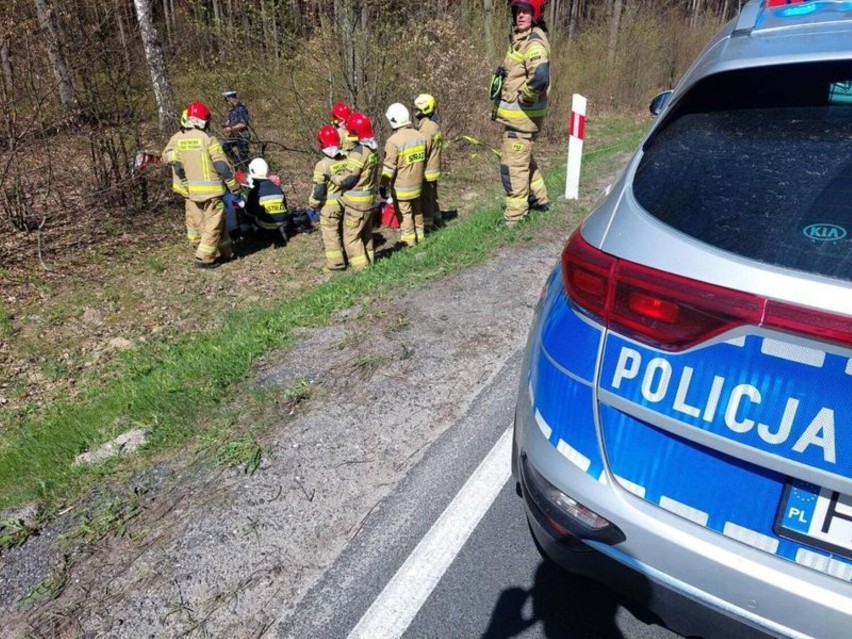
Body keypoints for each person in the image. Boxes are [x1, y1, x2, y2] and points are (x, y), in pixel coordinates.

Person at [491, 0, 551, 227]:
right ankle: (539, 199)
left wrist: (524, 97)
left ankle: (515, 217)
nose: (520, 16)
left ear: (535, 14)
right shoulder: (522, 40)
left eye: (526, 11)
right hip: (520, 121)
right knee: (524, 160)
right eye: (518, 11)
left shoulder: (533, 43)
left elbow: (540, 77)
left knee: (512, 166)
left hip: (522, 120)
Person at [165, 100, 242, 268]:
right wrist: (234, 187)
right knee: (214, 224)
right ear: (204, 120)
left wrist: (183, 178)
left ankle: (227, 252)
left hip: (192, 192)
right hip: (212, 191)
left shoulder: (180, 140)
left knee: (207, 225)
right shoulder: (208, 139)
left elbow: (173, 162)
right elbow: (222, 167)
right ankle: (204, 257)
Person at [328, 112, 379, 270]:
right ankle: (371, 262)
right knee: (366, 234)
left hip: (356, 203)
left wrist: (333, 177)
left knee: (351, 237)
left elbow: (349, 180)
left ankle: (362, 270)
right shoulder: (372, 150)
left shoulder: (358, 153)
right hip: (369, 199)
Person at [380, 103, 427, 247]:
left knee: (405, 214)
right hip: (418, 184)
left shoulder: (393, 141)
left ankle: (409, 242)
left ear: (394, 120)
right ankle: (421, 236)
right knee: (417, 211)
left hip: (402, 187)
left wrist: (383, 185)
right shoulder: (419, 136)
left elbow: (389, 168)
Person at [310, 125, 349, 272]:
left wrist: (313, 204)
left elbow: (319, 192)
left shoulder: (322, 165)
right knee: (344, 230)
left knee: (331, 234)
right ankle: (348, 254)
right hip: (346, 201)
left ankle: (336, 263)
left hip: (329, 205)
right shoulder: (346, 158)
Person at [162, 108, 201, 247]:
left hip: (198, 183)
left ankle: (198, 239)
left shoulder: (197, 136)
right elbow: (166, 157)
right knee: (193, 212)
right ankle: (197, 240)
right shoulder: (177, 138)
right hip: (187, 184)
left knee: (194, 212)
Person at [413, 93, 444, 230]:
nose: (415, 112)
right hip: (434, 167)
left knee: (426, 199)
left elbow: (422, 151)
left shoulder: (426, 128)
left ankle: (428, 227)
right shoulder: (433, 125)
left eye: (417, 109)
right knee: (433, 197)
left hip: (427, 170)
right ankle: (438, 220)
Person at [244, 158, 289, 242]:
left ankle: (258, 233)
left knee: (248, 214)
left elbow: (250, 212)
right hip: (284, 221)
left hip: (266, 224)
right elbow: (285, 206)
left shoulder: (255, 192)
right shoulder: (277, 188)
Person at [222, 90, 251, 169]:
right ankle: (237, 163)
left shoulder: (241, 109)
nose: (227, 103)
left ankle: (246, 169)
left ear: (232, 99)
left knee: (243, 155)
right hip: (234, 135)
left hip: (242, 135)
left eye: (227, 100)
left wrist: (230, 129)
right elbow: (231, 120)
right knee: (225, 146)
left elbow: (243, 124)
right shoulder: (232, 110)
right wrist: (226, 124)